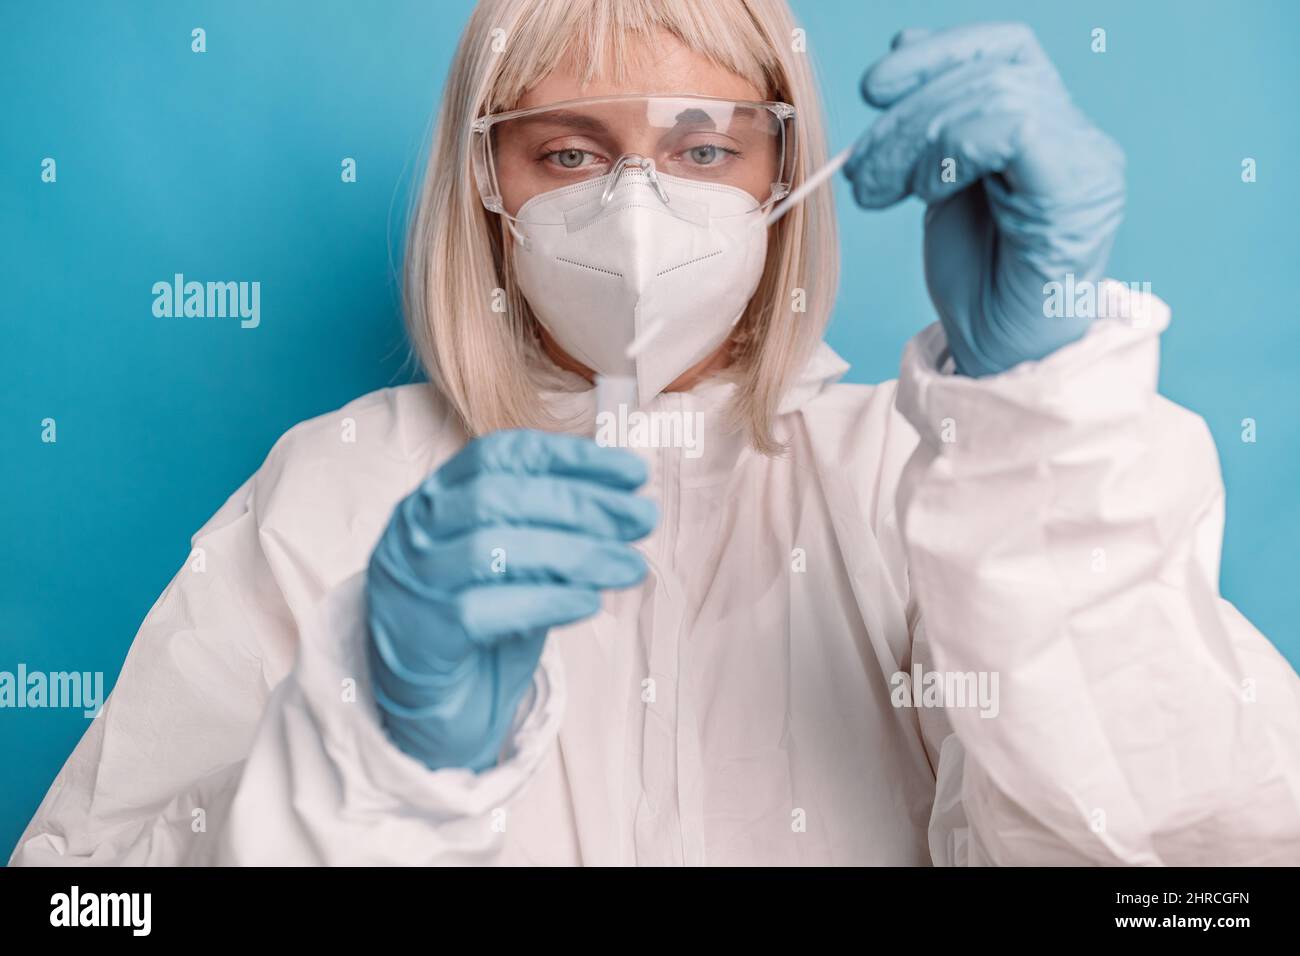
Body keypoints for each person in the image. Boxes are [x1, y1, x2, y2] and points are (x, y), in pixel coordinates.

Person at [12, 0, 1300, 866]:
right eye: (569, 155)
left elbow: (1190, 860)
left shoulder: (920, 476)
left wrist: (1038, 417)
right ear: (488, 186)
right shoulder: (342, 489)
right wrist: (377, 740)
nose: (637, 208)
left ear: (780, 186)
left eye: (704, 150)